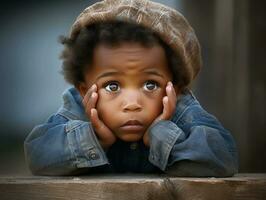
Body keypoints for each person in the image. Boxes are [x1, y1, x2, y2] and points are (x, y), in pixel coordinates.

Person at [24, 0, 238, 176]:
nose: (133, 104)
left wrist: (159, 134)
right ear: (84, 89)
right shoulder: (80, 107)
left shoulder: (179, 107)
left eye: (150, 84)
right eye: (113, 86)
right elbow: (38, 154)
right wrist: (95, 138)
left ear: (174, 87)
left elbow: (224, 157)